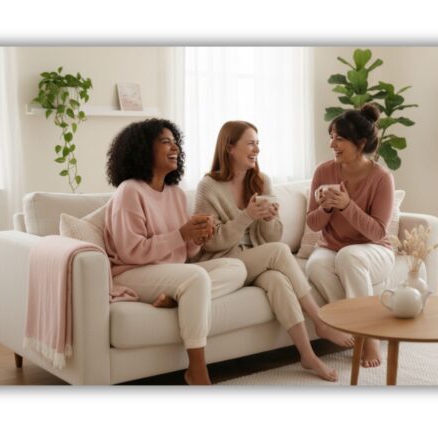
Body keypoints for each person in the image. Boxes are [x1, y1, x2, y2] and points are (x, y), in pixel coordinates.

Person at [192, 120, 354, 382]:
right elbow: (210, 242)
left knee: (278, 281)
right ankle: (321, 322)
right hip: (226, 262)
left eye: (258, 143)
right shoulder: (208, 186)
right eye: (250, 143)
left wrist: (269, 219)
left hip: (257, 261)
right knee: (279, 251)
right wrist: (247, 215)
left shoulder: (261, 181)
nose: (257, 149)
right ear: (230, 147)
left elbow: (272, 237)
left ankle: (308, 356)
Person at [103, 119, 247, 385]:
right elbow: (131, 251)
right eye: (165, 142)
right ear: (144, 149)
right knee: (196, 278)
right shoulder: (129, 191)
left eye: (175, 142)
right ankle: (197, 370)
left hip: (172, 274)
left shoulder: (176, 194)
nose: (175, 148)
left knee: (236, 268)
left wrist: (198, 236)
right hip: (132, 272)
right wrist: (181, 234)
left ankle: (176, 299)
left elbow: (187, 253)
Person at [305, 104, 396, 368]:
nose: (332, 144)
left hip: (374, 250)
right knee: (316, 265)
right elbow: (312, 224)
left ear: (361, 143)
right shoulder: (323, 172)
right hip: (331, 247)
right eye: (331, 137)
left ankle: (369, 337)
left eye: (339, 139)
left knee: (349, 256)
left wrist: (347, 206)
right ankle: (353, 328)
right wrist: (327, 208)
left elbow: (378, 231)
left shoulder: (381, 178)